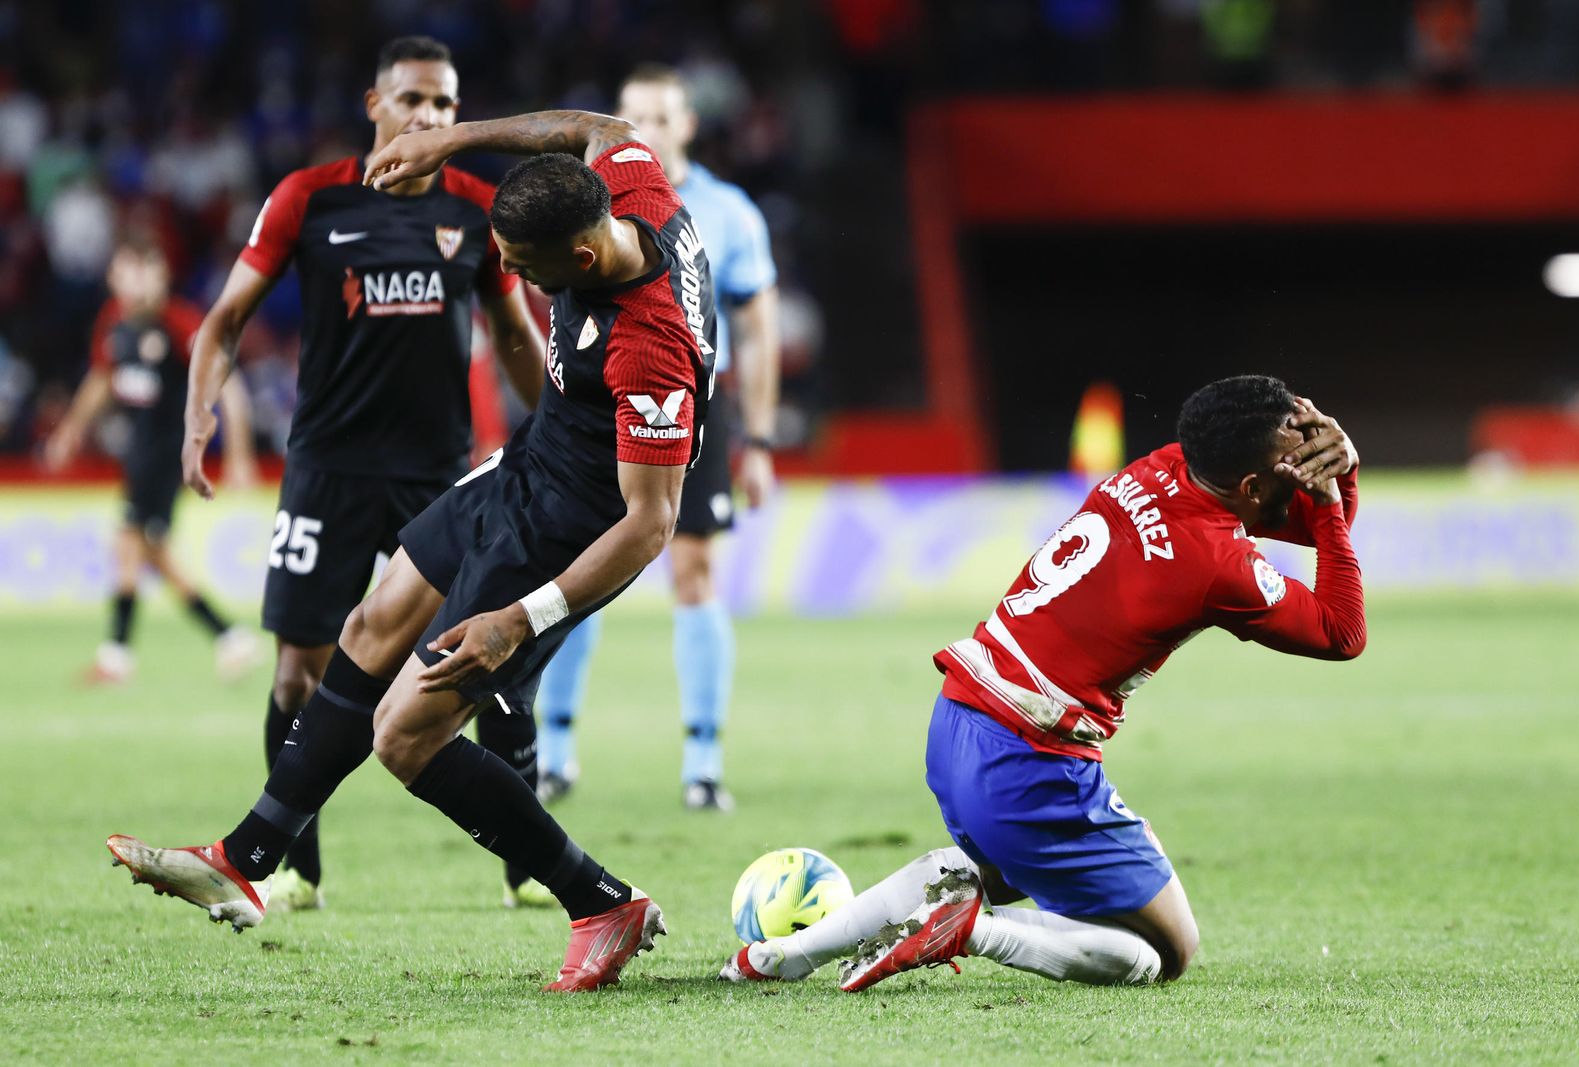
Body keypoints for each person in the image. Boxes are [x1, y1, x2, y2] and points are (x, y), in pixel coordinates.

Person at [108, 105, 716, 993]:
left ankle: (599, 900)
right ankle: (247, 856)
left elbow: (649, 522)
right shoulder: (632, 185)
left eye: (520, 265)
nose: (503, 271)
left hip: (566, 532)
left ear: (581, 262)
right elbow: (600, 123)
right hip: (526, 469)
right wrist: (449, 140)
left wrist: (522, 616)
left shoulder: (650, 346)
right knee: (374, 616)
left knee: (405, 735)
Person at [719, 376, 1366, 992]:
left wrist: (1340, 474)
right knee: (1167, 947)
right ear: (1251, 485)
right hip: (1027, 758)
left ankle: (778, 956)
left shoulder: (1164, 464)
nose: (1307, 472)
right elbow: (1342, 629)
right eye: (1296, 464)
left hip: (960, 718)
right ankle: (974, 930)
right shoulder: (1219, 565)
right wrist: (1334, 498)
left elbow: (1298, 524)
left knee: (991, 872)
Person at [180, 36, 549, 912]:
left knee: (490, 670)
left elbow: (512, 334)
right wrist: (200, 407)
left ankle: (525, 864)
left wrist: (556, 432)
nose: (431, 118)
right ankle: (295, 868)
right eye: (415, 100)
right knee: (297, 674)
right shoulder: (308, 199)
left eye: (446, 105)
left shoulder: (476, 207)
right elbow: (226, 318)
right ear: (374, 104)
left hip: (439, 479)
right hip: (329, 472)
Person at [532, 64, 780, 811]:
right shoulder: (588, 201)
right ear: (616, 123)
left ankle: (702, 762)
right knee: (577, 572)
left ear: (688, 124)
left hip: (688, 401)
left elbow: (759, 329)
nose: (650, 130)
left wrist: (760, 440)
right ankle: (555, 752)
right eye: (633, 117)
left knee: (694, 571)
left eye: (663, 116)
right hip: (592, 405)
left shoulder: (730, 212)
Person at [45, 238, 261, 684]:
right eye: (129, 272)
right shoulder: (113, 323)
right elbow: (102, 379)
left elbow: (231, 385)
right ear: (113, 278)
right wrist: (71, 429)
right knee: (148, 551)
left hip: (168, 455)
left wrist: (240, 454)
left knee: (130, 542)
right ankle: (228, 638)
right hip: (139, 452)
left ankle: (118, 655)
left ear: (161, 278)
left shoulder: (181, 324)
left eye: (147, 272)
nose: (138, 283)